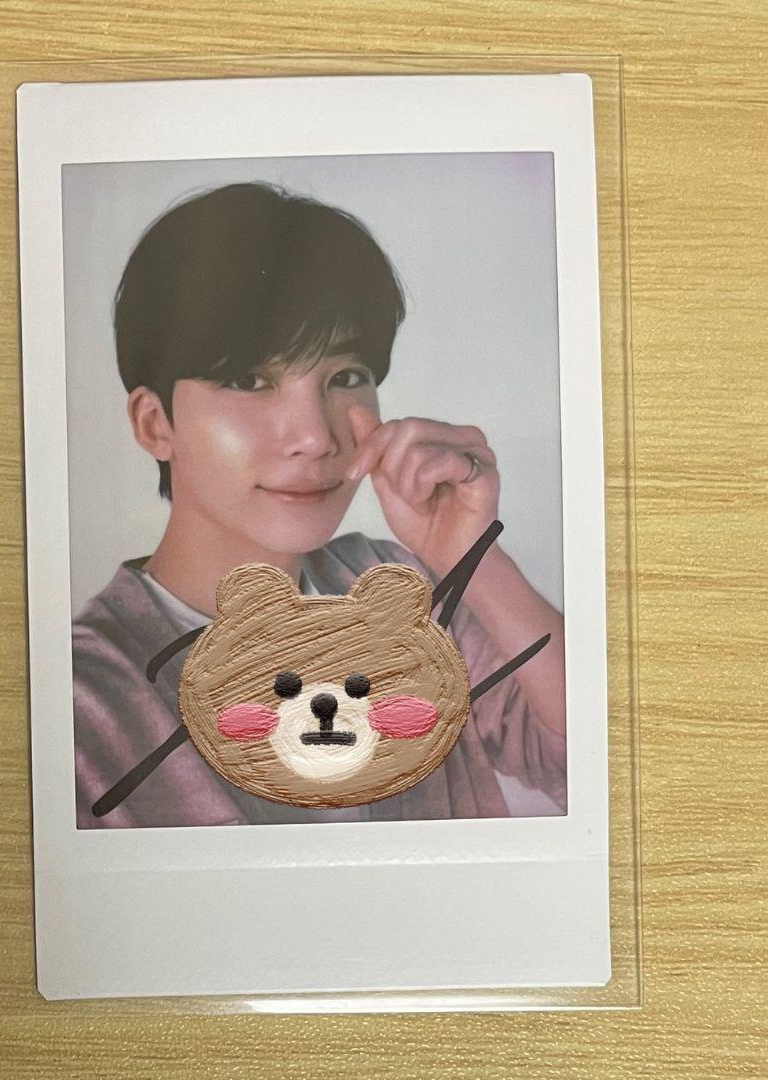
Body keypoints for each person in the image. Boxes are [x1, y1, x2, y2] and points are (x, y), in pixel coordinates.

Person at [72, 181, 567, 828]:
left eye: (344, 378)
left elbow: (591, 765)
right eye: (249, 380)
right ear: (155, 423)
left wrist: (472, 555)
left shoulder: (405, 589)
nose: (315, 437)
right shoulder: (83, 696)